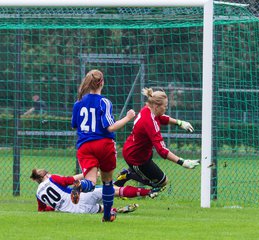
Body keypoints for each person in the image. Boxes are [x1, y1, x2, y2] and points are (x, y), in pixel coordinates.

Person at [71, 69, 136, 222]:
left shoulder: (78, 103)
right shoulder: (104, 102)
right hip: (103, 144)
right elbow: (110, 127)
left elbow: (75, 125)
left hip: (85, 146)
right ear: (102, 83)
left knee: (91, 183)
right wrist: (128, 117)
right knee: (107, 181)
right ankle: (107, 216)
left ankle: (80, 185)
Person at [115, 87, 200, 190]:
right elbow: (162, 150)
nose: (166, 108)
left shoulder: (148, 110)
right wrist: (182, 162)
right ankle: (128, 174)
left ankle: (130, 174)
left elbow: (162, 117)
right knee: (162, 182)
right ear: (156, 106)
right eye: (165, 106)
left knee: (159, 180)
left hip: (139, 152)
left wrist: (179, 122)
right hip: (136, 158)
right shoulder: (150, 123)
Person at [30, 168, 159, 214]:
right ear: (45, 175)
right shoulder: (52, 178)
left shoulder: (38, 194)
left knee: (100, 208)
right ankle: (147, 192)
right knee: (113, 190)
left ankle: (114, 210)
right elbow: (70, 180)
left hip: (74, 211)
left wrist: (56, 207)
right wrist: (89, 173)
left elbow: (41, 210)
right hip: (80, 199)